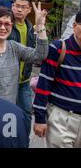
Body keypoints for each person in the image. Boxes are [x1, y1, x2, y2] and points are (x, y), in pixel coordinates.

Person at [0, 6, 48, 105]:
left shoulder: (14, 47)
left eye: (7, 24)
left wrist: (40, 26)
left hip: (9, 111)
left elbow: (40, 55)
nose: (2, 27)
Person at [33, 11, 81, 148]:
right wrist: (40, 118)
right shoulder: (58, 48)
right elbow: (44, 83)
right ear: (74, 25)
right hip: (62, 119)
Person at [8, 0, 36, 134]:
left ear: (29, 9)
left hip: (24, 81)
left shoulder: (31, 28)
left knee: (26, 113)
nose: (19, 10)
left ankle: (23, 141)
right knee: (6, 114)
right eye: (16, 6)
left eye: (23, 7)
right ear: (12, 6)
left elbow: (36, 53)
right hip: (7, 80)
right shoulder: (6, 26)